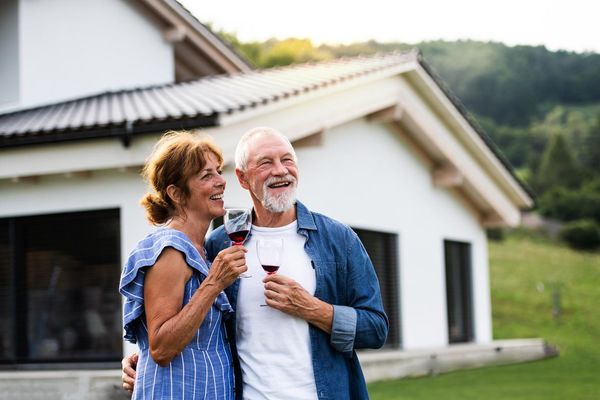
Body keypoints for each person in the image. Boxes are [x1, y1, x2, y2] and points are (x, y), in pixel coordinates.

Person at [123, 127, 388, 399]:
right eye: (265, 162)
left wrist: (312, 308)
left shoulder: (338, 240)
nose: (280, 170)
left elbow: (376, 329)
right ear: (242, 178)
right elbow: (182, 323)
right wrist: (143, 360)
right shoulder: (219, 245)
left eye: (287, 159)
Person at [119, 131, 248, 399]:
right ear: (176, 193)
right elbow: (162, 348)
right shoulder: (171, 250)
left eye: (218, 171)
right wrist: (214, 283)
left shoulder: (204, 250)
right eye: (206, 176)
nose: (221, 182)